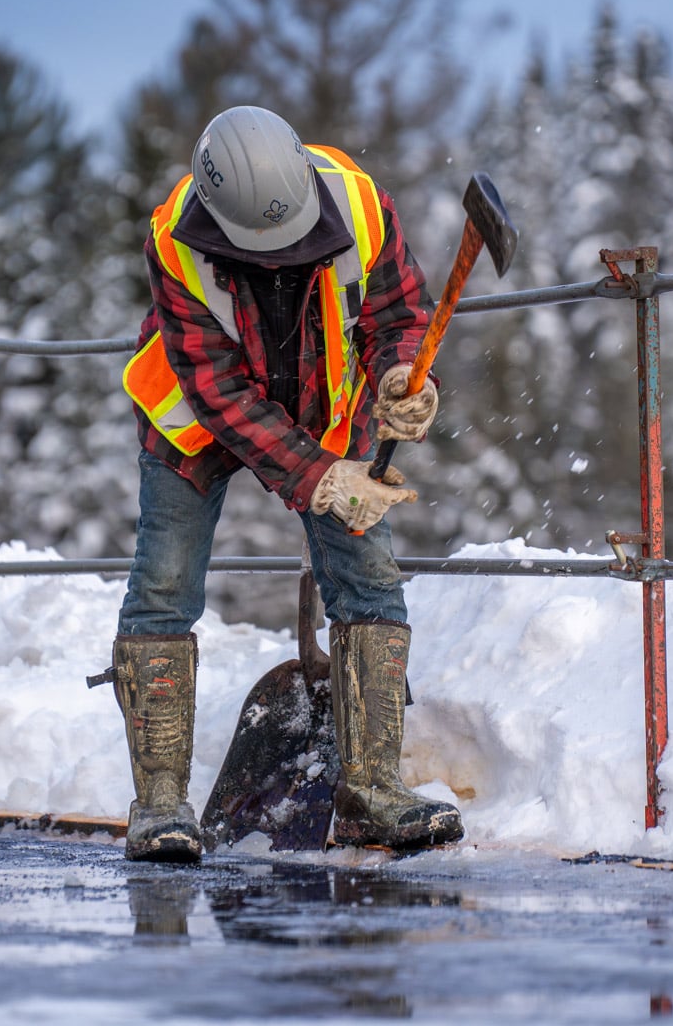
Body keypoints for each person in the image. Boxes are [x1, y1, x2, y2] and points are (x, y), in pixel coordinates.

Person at [106, 105, 463, 862]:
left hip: (324, 404)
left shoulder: (360, 204)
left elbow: (396, 313)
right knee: (164, 584)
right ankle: (160, 807)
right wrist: (320, 478)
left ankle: (372, 791)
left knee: (369, 576)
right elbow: (222, 393)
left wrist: (402, 374)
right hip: (195, 418)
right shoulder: (174, 242)